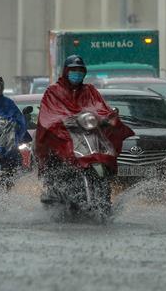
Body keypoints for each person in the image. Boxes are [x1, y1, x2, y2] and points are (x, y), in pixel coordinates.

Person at [35, 56, 132, 201]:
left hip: (87, 135)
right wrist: (59, 122)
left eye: (80, 71)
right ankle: (54, 188)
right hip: (63, 134)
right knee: (55, 152)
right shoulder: (54, 91)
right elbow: (49, 113)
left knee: (104, 152)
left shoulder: (89, 90)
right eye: (73, 70)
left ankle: (102, 192)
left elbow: (99, 107)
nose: (77, 74)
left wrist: (107, 118)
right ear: (66, 71)